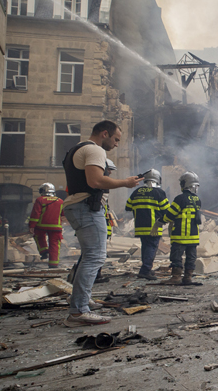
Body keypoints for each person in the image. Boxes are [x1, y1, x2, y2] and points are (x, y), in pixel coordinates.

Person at [61, 120, 142, 327]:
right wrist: (126, 182)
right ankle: (78, 312)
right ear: (104, 133)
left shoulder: (77, 149)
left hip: (79, 206)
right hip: (86, 207)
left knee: (89, 256)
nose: (116, 144)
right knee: (95, 257)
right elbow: (95, 181)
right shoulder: (95, 150)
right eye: (116, 139)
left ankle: (82, 301)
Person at [155, 172, 201, 285]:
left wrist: (160, 222)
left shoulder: (180, 199)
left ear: (184, 184)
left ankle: (176, 277)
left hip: (180, 235)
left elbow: (171, 214)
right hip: (193, 236)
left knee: (176, 257)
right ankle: (188, 278)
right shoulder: (197, 200)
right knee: (191, 258)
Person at [125, 169, 169, 280]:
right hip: (154, 226)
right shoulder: (159, 193)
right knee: (151, 247)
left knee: (145, 247)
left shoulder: (136, 192)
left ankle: (147, 269)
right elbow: (167, 210)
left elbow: (128, 207)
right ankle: (145, 271)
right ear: (158, 180)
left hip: (140, 226)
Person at [28, 183, 64, 268]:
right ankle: (53, 264)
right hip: (56, 227)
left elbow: (36, 214)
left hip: (41, 226)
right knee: (54, 244)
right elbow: (63, 214)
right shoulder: (60, 201)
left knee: (38, 236)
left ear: (42, 191)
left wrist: (32, 226)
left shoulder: (40, 200)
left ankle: (44, 251)